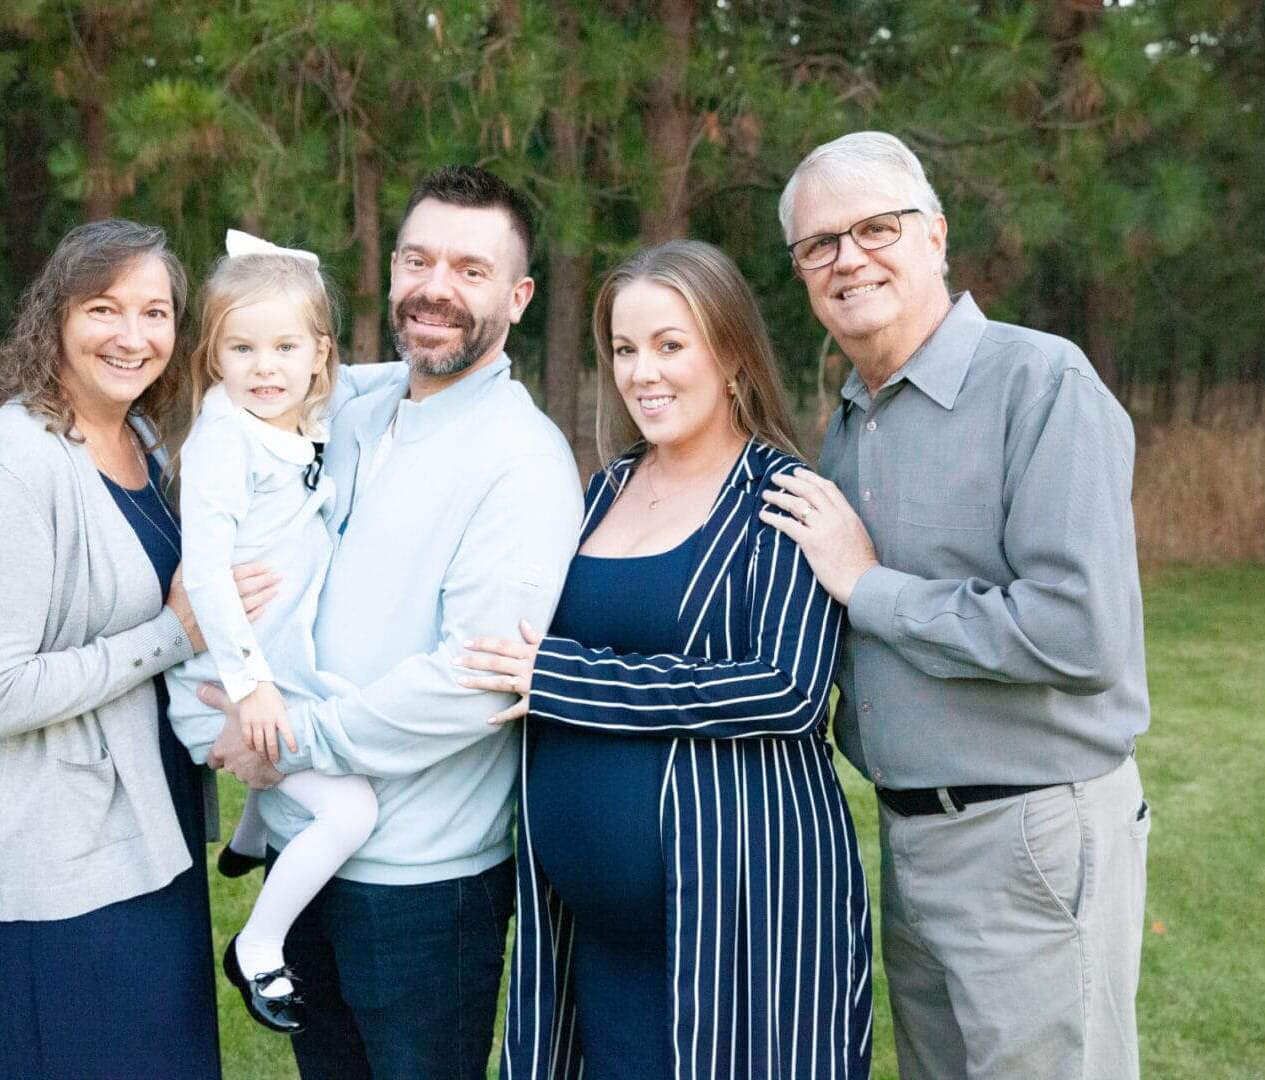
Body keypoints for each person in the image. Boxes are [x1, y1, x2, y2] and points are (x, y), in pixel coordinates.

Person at [761, 131, 1151, 1080]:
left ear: (935, 235)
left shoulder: (1040, 383)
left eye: (877, 228)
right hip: (911, 839)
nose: (849, 258)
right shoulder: (852, 419)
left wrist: (868, 586)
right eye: (820, 243)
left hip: (1030, 833)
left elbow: (1077, 632)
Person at [200, 165, 584, 1079]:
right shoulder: (356, 407)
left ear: (519, 297)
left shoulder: (522, 461)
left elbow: (474, 682)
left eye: (471, 269)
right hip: (308, 850)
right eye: (418, 260)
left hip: (419, 888)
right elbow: (252, 356)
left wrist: (289, 739)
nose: (435, 288)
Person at [463, 239, 873, 1080]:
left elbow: (787, 690)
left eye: (669, 345)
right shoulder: (605, 488)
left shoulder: (782, 498)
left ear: (731, 354)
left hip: (738, 918)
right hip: (591, 933)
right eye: (624, 349)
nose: (641, 372)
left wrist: (566, 680)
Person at [0, 219, 220, 1077]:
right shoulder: (13, 463)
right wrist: (170, 637)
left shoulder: (142, 441)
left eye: (155, 313)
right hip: (59, 859)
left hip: (150, 826)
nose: (133, 336)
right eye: (104, 308)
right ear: (55, 317)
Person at [163, 228, 402, 1033]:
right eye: (242, 349)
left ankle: (249, 833)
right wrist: (250, 685)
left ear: (318, 355)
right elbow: (205, 574)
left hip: (273, 670)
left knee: (323, 753)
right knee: (351, 811)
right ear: (214, 357)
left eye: (284, 347)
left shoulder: (300, 415)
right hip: (227, 685)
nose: (264, 367)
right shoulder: (225, 440)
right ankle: (259, 945)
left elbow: (380, 378)